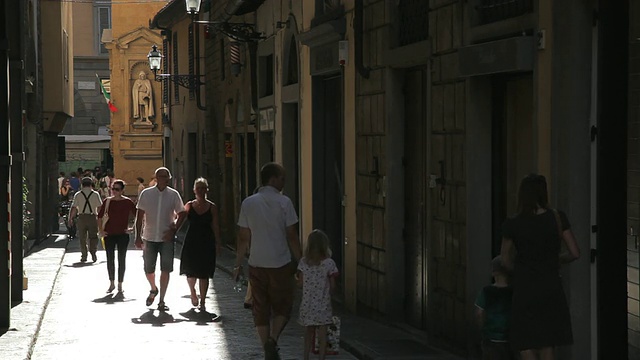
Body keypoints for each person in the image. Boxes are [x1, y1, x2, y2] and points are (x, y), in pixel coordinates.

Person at [500, 174, 581, 360]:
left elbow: (505, 259)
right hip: (551, 286)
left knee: (525, 341)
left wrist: (518, 270)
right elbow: (575, 252)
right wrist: (557, 260)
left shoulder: (512, 223)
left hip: (525, 288)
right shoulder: (557, 217)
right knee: (547, 341)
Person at [233, 162, 302, 360]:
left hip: (257, 262)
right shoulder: (284, 202)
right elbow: (292, 236)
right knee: (283, 306)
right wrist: (302, 262)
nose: (284, 182)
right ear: (273, 179)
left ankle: (266, 349)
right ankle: (272, 341)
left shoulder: (248, 203)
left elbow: (243, 237)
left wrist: (238, 264)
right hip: (280, 262)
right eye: (282, 179)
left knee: (260, 308)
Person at [135, 167, 186, 311]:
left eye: (165, 176)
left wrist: (174, 229)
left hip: (166, 238)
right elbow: (139, 216)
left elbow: (182, 213)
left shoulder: (173, 195)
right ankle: (153, 288)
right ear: (156, 178)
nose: (163, 178)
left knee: (166, 269)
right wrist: (137, 236)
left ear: (169, 178)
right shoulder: (146, 193)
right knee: (148, 269)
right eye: (160, 176)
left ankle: (162, 300)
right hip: (149, 236)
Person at [179, 178, 221, 311]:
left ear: (207, 190)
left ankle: (203, 300)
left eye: (203, 188)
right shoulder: (189, 205)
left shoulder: (212, 207)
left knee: (204, 272)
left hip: (206, 241)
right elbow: (180, 220)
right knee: (190, 272)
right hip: (192, 240)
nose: (201, 191)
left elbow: (215, 225)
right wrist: (172, 231)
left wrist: (218, 242)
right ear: (194, 190)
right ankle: (193, 292)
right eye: (199, 188)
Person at [296, 229, 338, 360]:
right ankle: (321, 358)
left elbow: (300, 284)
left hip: (307, 304)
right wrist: (331, 293)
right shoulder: (329, 263)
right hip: (323, 304)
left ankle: (305, 357)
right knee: (322, 333)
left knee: (308, 332)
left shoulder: (303, 263)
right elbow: (333, 286)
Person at [97, 179, 136, 294]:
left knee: (121, 259)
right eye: (113, 189)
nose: (114, 191)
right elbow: (99, 217)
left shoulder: (127, 202)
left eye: (117, 189)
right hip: (109, 234)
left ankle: (120, 283)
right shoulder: (107, 201)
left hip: (122, 234)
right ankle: (112, 283)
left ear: (122, 190)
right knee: (110, 259)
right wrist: (101, 230)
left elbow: (138, 215)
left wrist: (132, 228)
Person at [475, 255, 514, 360]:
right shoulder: (513, 292)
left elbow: (479, 313)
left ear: (494, 272)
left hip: (490, 338)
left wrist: (482, 328)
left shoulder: (486, 291)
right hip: (509, 339)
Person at [68, 177, 102, 263]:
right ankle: (93, 252)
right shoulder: (95, 194)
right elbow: (99, 207)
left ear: (82, 184)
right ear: (91, 184)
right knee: (93, 236)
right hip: (92, 217)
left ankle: (84, 255)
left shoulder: (78, 194)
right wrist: (100, 218)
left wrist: (70, 218)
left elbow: (74, 208)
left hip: (81, 217)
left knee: (82, 237)